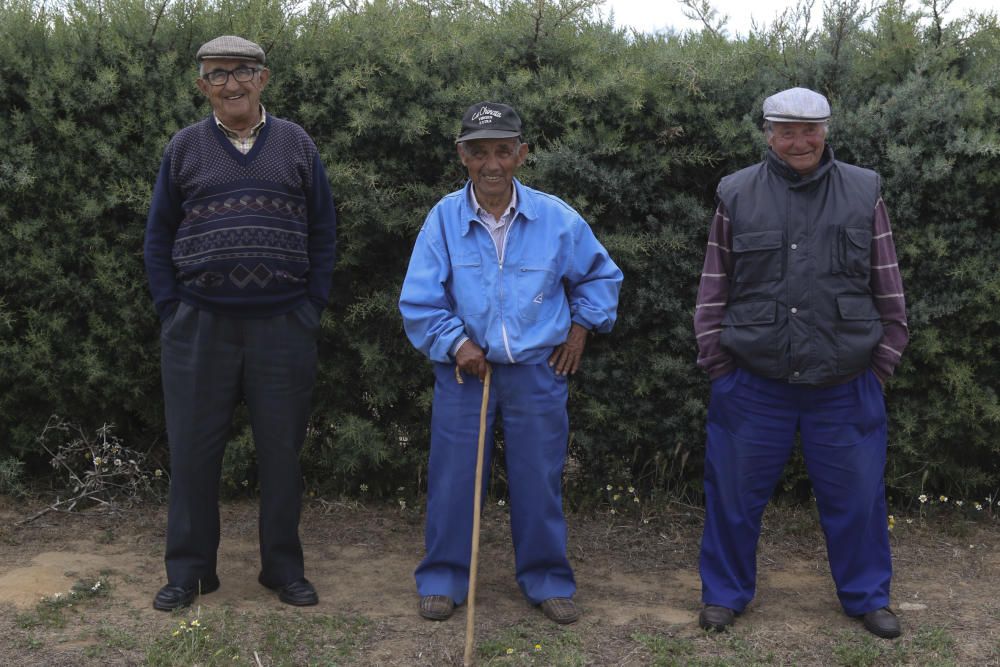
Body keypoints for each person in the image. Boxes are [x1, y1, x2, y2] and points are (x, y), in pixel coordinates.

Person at [693, 87, 909, 638]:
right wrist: (719, 364)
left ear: (827, 131)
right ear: (768, 134)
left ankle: (866, 596)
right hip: (752, 380)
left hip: (846, 381)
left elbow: (888, 289)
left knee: (858, 497)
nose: (799, 141)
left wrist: (881, 361)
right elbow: (714, 286)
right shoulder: (737, 193)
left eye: (809, 130)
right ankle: (724, 595)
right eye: (785, 131)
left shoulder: (864, 191)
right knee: (733, 497)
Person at [399, 101, 623, 625]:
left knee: (538, 479)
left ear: (522, 154)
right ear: (463, 156)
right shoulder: (443, 220)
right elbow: (419, 301)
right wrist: (457, 344)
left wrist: (581, 329)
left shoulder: (557, 218)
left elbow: (600, 277)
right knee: (453, 479)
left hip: (537, 373)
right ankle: (444, 579)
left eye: (503, 150)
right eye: (479, 152)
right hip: (464, 373)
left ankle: (547, 580)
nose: (492, 163)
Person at [143, 35, 337, 610]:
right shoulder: (184, 149)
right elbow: (158, 236)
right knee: (193, 455)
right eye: (218, 73)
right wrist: (170, 309)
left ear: (263, 78)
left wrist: (311, 306)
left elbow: (323, 231)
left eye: (243, 71)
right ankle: (190, 573)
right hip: (199, 327)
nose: (232, 82)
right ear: (203, 85)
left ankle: (282, 569)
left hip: (283, 325)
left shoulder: (298, 145)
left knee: (282, 454)